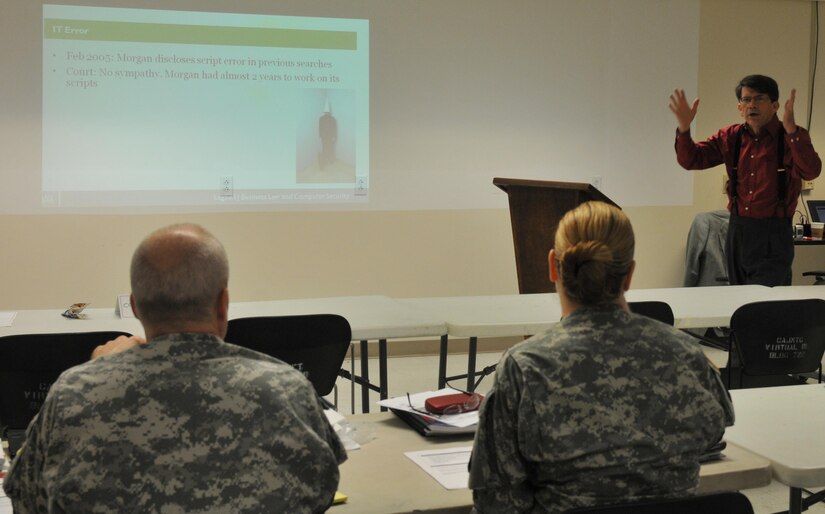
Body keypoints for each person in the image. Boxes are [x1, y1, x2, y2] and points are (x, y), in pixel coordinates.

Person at [3, 223, 347, 514]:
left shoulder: (73, 393)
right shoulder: (288, 388)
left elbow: (27, 501)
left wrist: (98, 376)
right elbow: (322, 489)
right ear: (223, 304)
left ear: (135, 307)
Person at [468, 201, 734, 513]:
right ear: (630, 274)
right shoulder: (686, 355)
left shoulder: (524, 367)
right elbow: (715, 431)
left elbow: (497, 502)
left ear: (553, 265)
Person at [670, 74, 822, 286]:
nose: (752, 105)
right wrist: (684, 130)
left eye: (759, 98)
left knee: (767, 306)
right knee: (738, 299)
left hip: (774, 234)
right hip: (738, 231)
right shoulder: (731, 136)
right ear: (740, 107)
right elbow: (692, 160)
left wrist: (793, 131)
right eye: (746, 99)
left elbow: (811, 171)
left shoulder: (789, 138)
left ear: (775, 105)